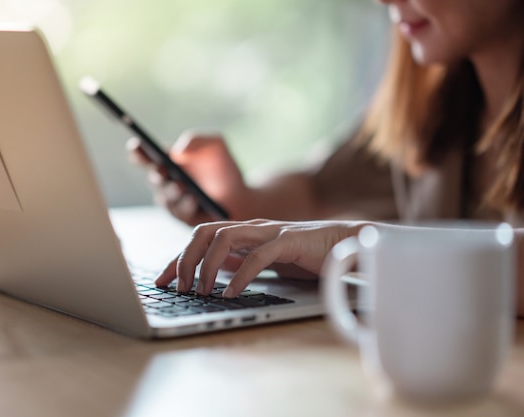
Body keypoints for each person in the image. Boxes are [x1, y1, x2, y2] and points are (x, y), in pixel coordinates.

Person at [128, 0, 524, 313]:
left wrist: (355, 246)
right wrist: (239, 204)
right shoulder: (440, 102)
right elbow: (317, 191)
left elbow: (331, 233)